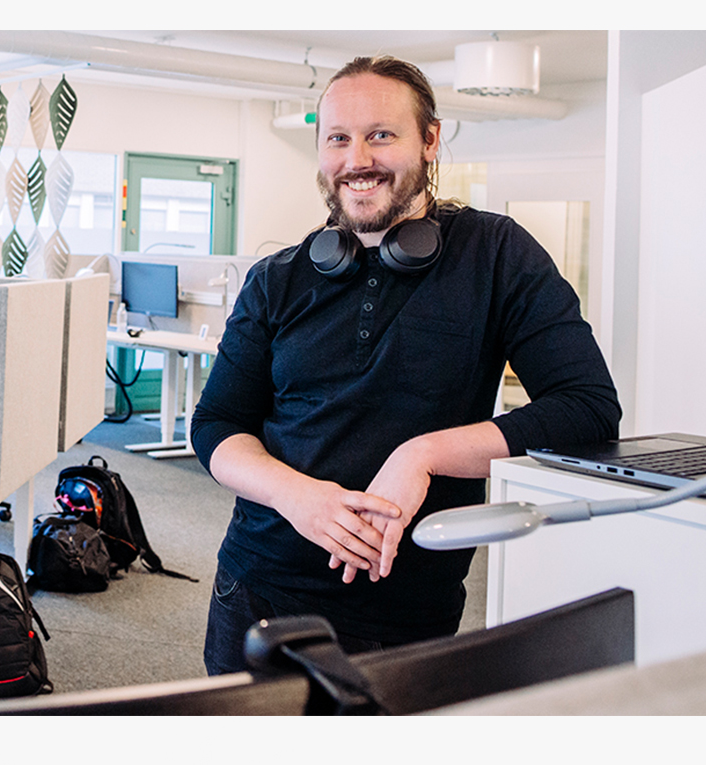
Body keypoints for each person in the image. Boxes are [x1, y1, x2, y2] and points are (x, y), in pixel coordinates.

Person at [190, 55, 621, 675]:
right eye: (338, 138)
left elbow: (588, 408)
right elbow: (216, 425)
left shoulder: (497, 254)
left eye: (381, 135)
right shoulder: (276, 278)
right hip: (258, 590)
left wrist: (424, 455)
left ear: (429, 139)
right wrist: (299, 497)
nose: (357, 159)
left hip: (409, 611)